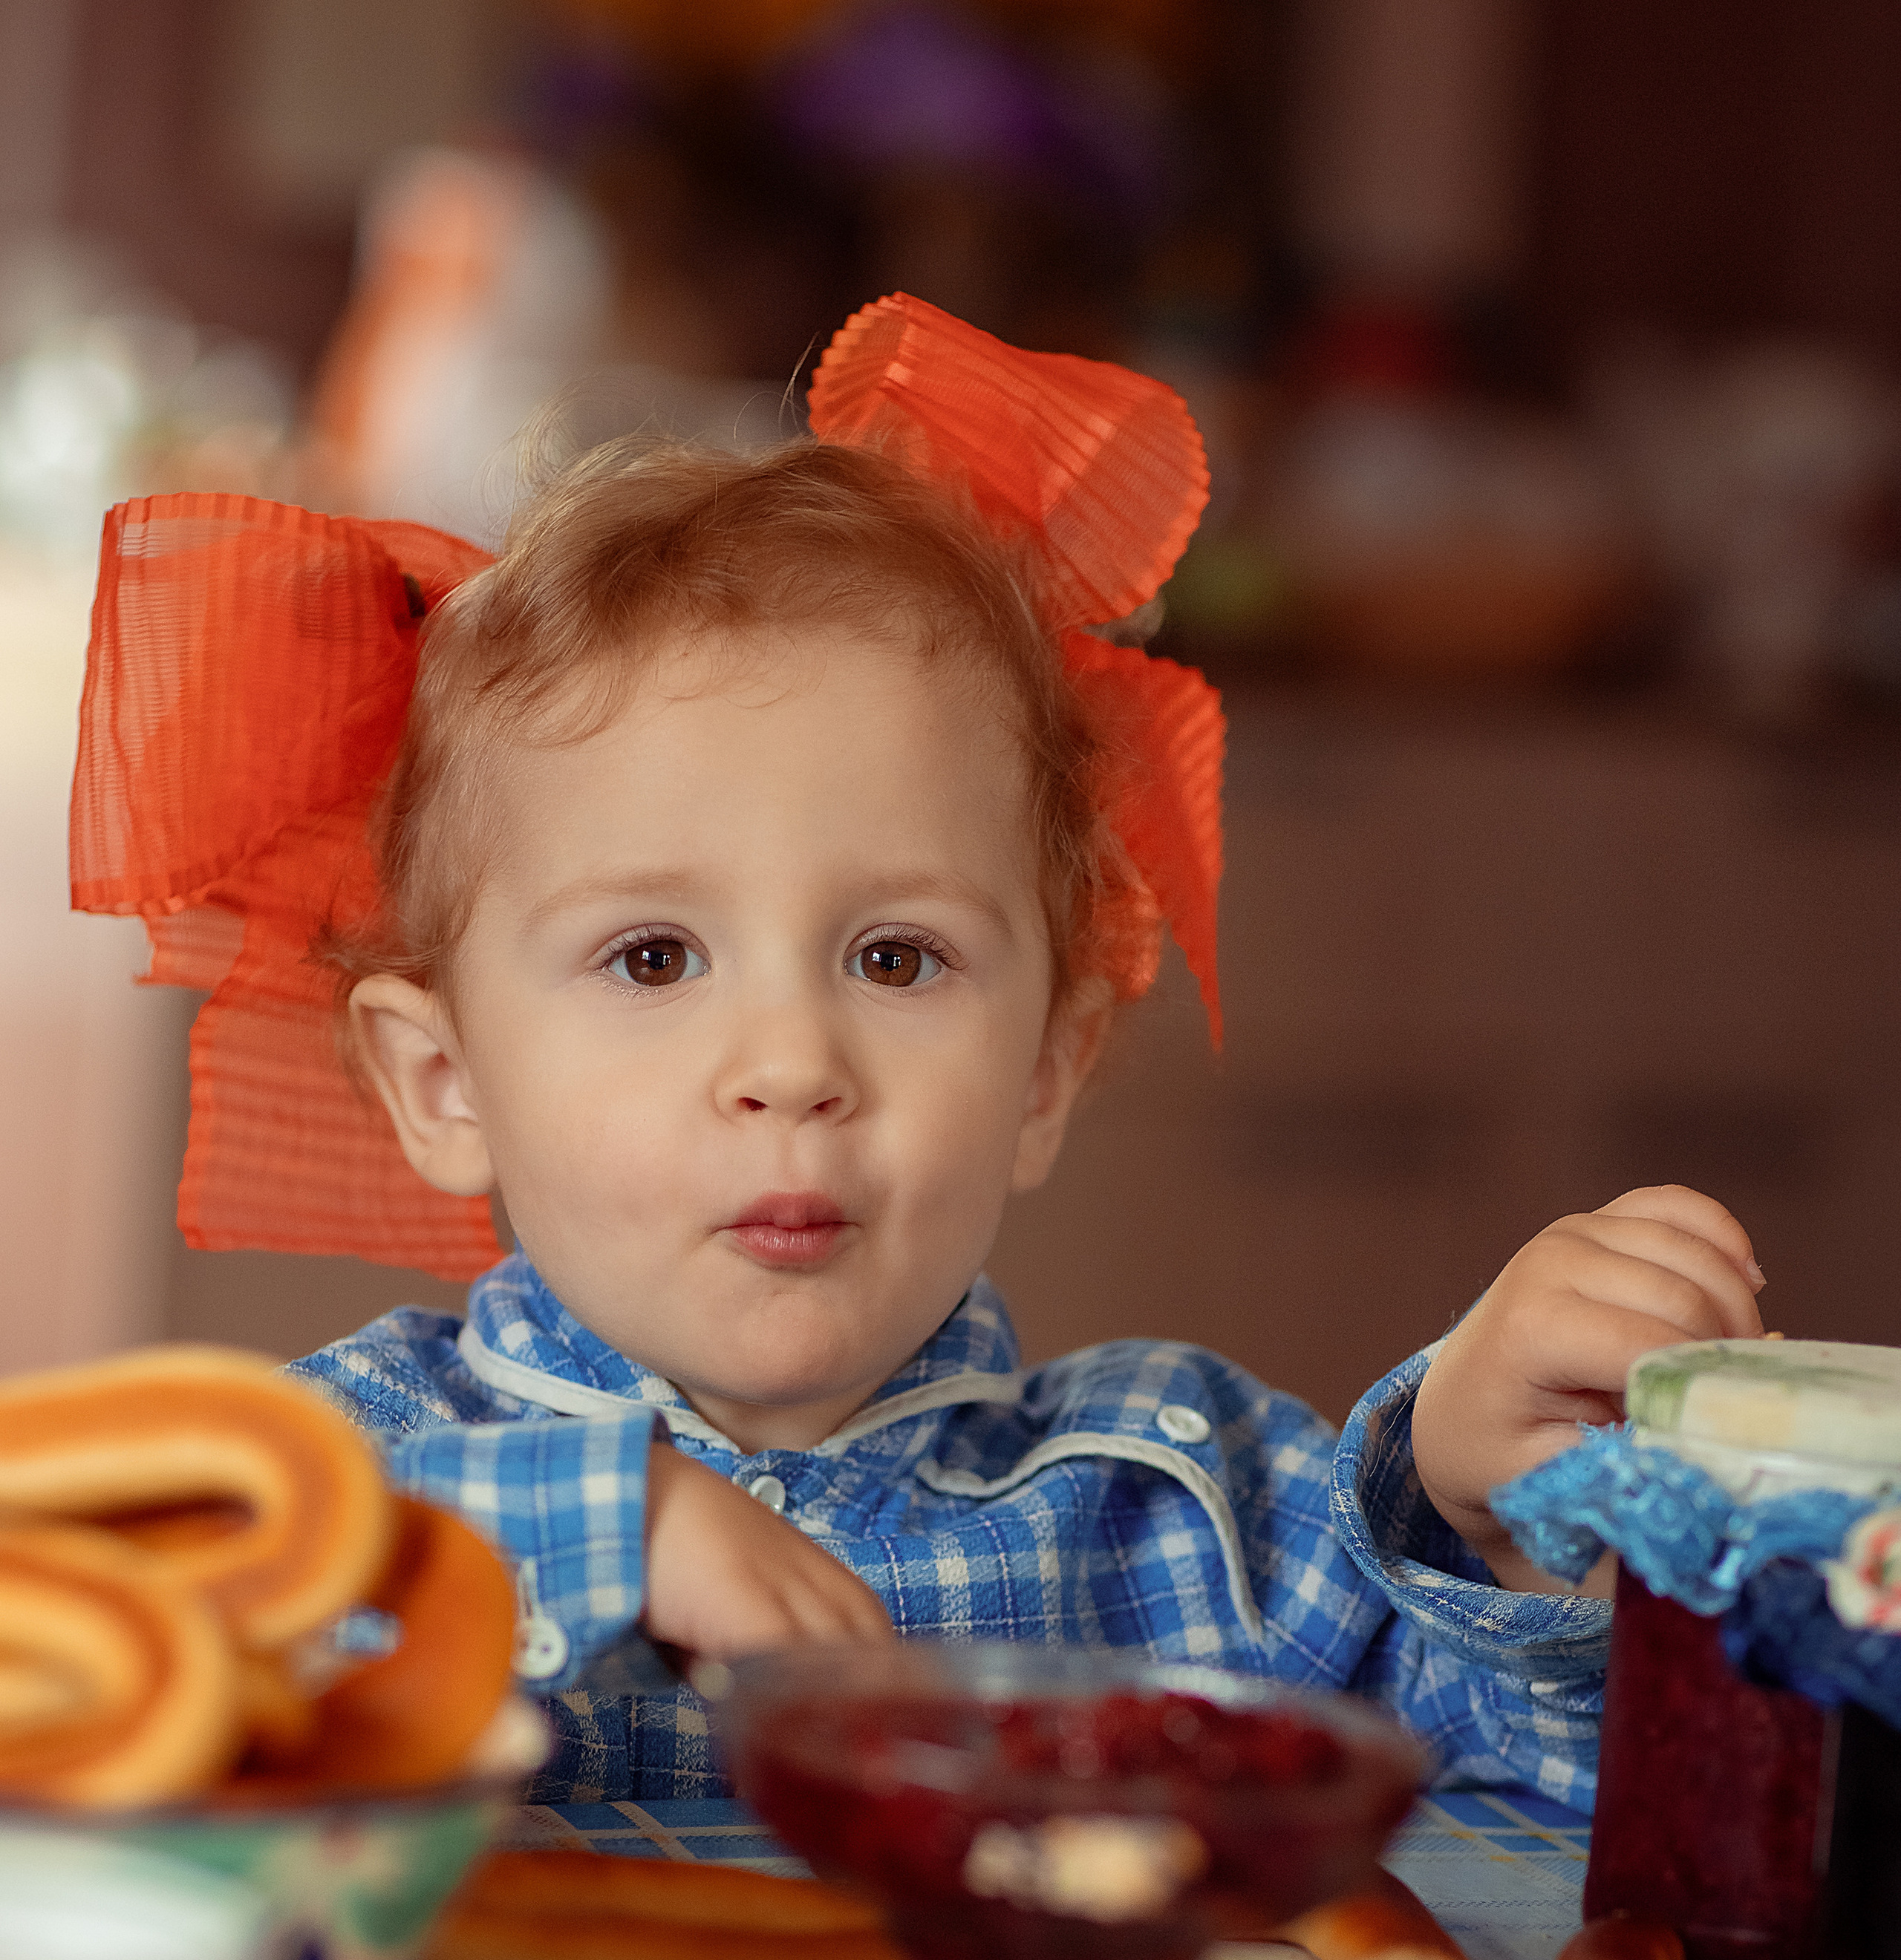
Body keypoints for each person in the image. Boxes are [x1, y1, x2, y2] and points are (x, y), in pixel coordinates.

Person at [71, 296, 1764, 1814]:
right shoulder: (335, 1472)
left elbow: (1567, 1792)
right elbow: (115, 1634)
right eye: (653, 955)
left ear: (1044, 1068)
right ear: (442, 1084)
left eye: (896, 957)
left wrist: (1478, 1516)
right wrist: (612, 1522)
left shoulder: (1186, 1508)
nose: (793, 1062)